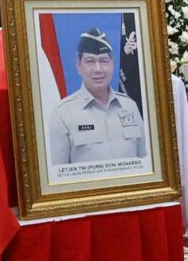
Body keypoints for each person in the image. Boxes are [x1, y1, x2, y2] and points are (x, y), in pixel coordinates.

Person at [47, 27, 148, 167]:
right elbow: (57, 173)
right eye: (90, 61)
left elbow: (145, 162)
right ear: (78, 65)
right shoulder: (62, 114)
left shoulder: (129, 106)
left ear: (112, 65)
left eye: (104, 61)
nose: (98, 69)